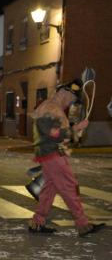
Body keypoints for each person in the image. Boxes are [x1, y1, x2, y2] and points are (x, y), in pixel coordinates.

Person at [28, 80, 105, 237]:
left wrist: (74, 132)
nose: (71, 102)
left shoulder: (51, 107)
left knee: (49, 189)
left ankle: (37, 222)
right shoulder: (51, 108)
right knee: (69, 186)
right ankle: (83, 225)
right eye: (71, 98)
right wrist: (76, 129)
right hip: (53, 155)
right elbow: (53, 134)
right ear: (64, 93)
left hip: (48, 154)